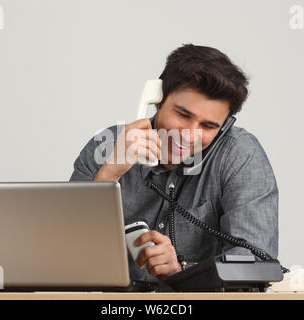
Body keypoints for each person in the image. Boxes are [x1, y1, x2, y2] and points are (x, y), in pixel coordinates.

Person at [69, 43, 279, 289]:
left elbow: (256, 266)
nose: (190, 136)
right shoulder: (104, 148)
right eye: (183, 115)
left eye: (208, 126)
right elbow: (65, 255)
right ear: (157, 100)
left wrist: (184, 271)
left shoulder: (240, 155)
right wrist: (109, 174)